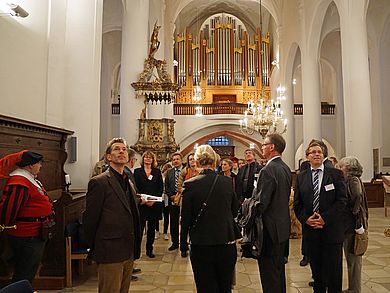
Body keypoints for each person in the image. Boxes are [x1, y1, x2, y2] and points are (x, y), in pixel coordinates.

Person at [83, 138, 141, 293]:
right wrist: (97, 247)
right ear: (108, 157)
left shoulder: (127, 181)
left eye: (124, 149)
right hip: (110, 250)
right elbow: (90, 219)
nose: (121, 151)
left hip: (128, 247)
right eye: (116, 149)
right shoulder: (99, 182)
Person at [181, 144, 240, 292]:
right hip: (225, 242)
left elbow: (186, 219)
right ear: (215, 162)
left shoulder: (190, 185)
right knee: (225, 287)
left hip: (201, 244)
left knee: (205, 287)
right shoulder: (227, 183)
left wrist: (183, 244)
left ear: (197, 162)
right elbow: (235, 211)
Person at [294, 141, 347, 293]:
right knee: (317, 273)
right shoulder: (302, 177)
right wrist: (306, 219)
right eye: (313, 152)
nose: (317, 154)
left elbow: (342, 200)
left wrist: (324, 218)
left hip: (332, 231)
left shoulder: (335, 174)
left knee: (334, 273)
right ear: (307, 157)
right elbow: (298, 204)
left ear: (323, 156)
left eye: (319, 152)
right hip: (312, 232)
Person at [0, 150, 54, 285]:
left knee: (28, 270)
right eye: (39, 163)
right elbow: (9, 210)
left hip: (34, 233)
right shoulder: (19, 182)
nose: (40, 166)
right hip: (26, 235)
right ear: (30, 165)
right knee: (24, 272)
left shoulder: (28, 179)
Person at [251, 134, 292, 293]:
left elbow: (262, 204)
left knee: (269, 274)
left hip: (268, 230)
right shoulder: (285, 168)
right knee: (278, 271)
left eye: (264, 144)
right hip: (282, 227)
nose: (262, 147)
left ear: (272, 147)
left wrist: (249, 205)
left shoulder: (268, 170)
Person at [337, 156, 368, 293]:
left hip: (353, 225)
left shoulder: (352, 179)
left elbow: (357, 196)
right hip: (351, 224)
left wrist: (352, 212)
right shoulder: (350, 179)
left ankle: (355, 290)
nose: (340, 169)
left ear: (348, 168)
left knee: (354, 260)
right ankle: (352, 288)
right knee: (352, 260)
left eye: (342, 166)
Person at [134, 150, 163, 258]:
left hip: (153, 204)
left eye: (150, 157)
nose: (147, 159)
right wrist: (142, 199)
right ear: (143, 159)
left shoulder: (156, 172)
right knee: (140, 228)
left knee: (151, 229)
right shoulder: (137, 172)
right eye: (146, 157)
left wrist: (153, 200)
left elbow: (160, 187)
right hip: (141, 203)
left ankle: (149, 250)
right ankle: (137, 251)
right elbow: (135, 187)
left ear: (153, 160)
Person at [124, 147, 143, 281]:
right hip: (128, 214)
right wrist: (139, 199)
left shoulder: (126, 172)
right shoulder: (126, 173)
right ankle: (127, 269)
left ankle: (129, 267)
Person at [176, 152, 201, 257]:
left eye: (194, 159)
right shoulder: (185, 171)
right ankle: (183, 248)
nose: (192, 161)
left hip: (198, 202)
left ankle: (196, 245)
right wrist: (185, 191)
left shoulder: (201, 171)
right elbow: (179, 185)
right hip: (186, 201)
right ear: (188, 161)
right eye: (190, 159)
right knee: (185, 225)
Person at [164, 152, 184, 252]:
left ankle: (184, 244)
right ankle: (175, 243)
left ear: (181, 160)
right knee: (173, 222)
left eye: (177, 159)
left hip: (184, 200)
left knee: (184, 222)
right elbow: (167, 186)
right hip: (173, 200)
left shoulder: (186, 171)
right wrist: (170, 195)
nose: (175, 161)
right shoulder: (169, 172)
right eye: (173, 160)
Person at [161, 162, 173, 241]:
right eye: (166, 170)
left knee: (166, 216)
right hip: (160, 197)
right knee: (158, 215)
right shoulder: (160, 177)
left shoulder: (170, 178)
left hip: (167, 198)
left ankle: (165, 232)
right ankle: (157, 230)